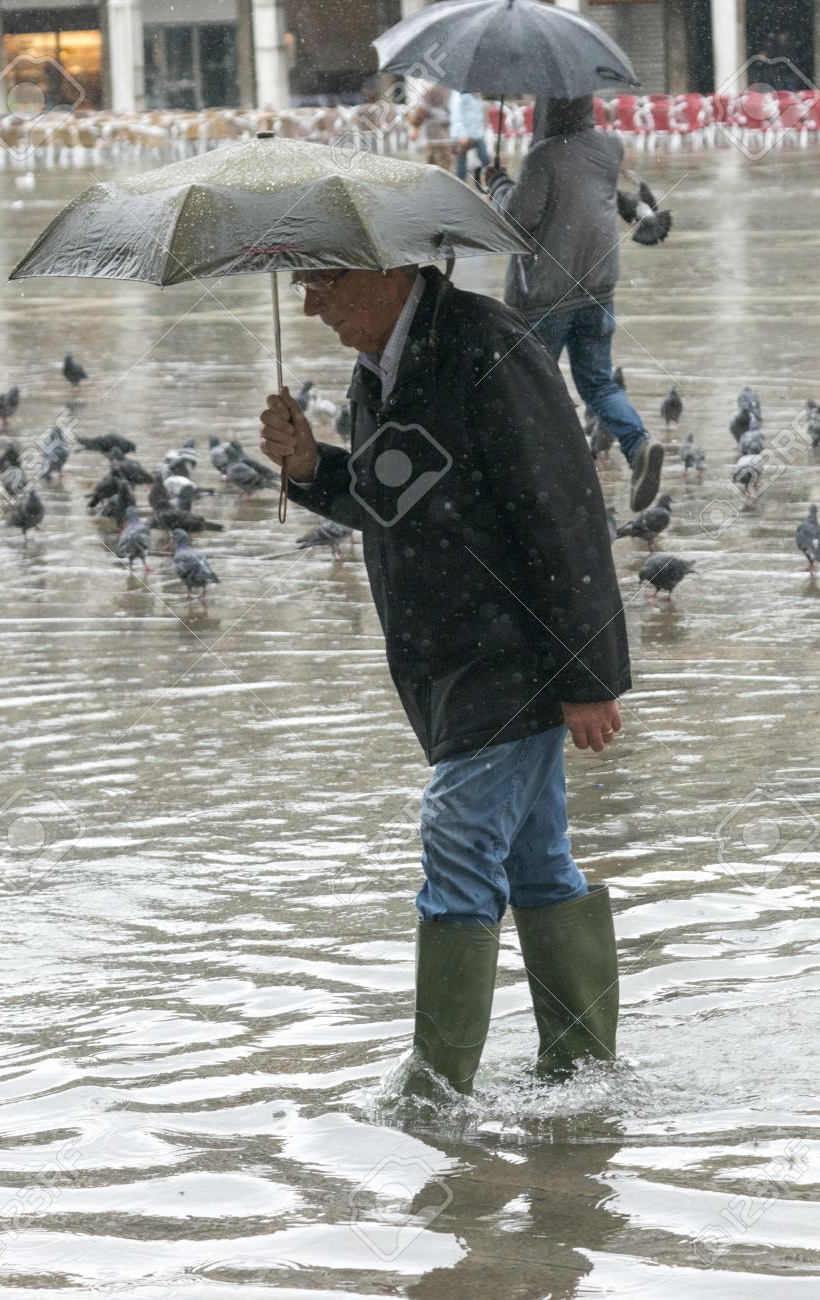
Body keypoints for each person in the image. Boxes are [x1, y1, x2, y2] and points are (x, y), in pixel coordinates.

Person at [258, 263, 630, 1099]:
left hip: (512, 655)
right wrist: (314, 467)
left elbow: (563, 508)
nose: (309, 303)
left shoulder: (489, 346)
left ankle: (435, 1096)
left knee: (457, 833)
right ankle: (583, 1082)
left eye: (322, 283)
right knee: (537, 865)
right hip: (447, 660)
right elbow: (396, 493)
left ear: (386, 270)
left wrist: (588, 673)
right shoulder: (382, 364)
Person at [486, 96, 665, 512]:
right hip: (598, 289)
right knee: (598, 382)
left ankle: (544, 476)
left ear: (547, 111)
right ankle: (638, 445)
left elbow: (515, 220)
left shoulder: (543, 157)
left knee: (530, 388)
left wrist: (497, 183)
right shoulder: (609, 148)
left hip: (544, 297)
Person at [447, 90, 489, 182]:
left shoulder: (476, 93)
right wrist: (462, 134)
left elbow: (477, 113)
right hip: (463, 135)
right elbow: (456, 114)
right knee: (461, 164)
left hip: (477, 134)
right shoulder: (459, 93)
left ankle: (486, 183)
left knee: (485, 159)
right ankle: (459, 186)